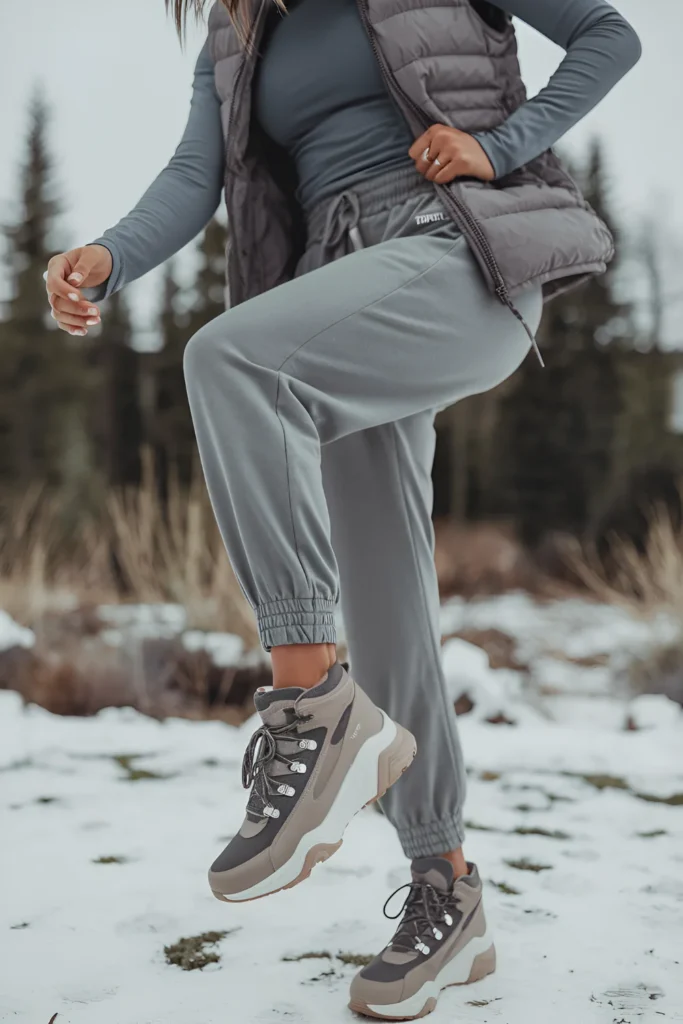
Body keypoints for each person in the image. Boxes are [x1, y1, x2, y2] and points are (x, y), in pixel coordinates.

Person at [44, 0, 640, 1017]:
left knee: (229, 359)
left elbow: (607, 34)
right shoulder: (236, 36)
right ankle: (442, 887)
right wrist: (109, 256)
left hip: (453, 254)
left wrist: (499, 145)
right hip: (343, 282)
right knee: (383, 589)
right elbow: (197, 176)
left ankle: (313, 703)